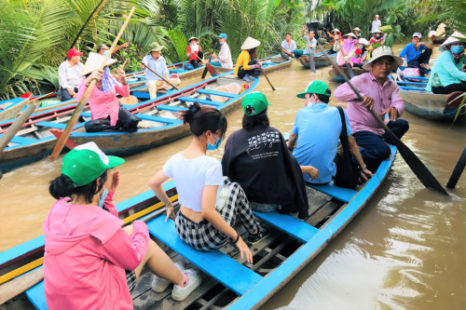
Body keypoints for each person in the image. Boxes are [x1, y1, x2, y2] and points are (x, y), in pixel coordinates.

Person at [43, 142, 201, 310]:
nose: (112, 174)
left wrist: (108, 197)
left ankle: (164, 275)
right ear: (98, 182)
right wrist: (140, 226)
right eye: (108, 172)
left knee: (132, 234)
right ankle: (182, 282)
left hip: (64, 303)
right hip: (101, 305)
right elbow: (132, 260)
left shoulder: (59, 208)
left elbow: (103, 231)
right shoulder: (101, 223)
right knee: (145, 244)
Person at [148, 102, 270, 259]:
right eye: (219, 134)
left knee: (225, 181)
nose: (220, 138)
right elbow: (207, 212)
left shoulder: (175, 159)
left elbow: (153, 183)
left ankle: (248, 226)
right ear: (208, 134)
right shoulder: (211, 165)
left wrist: (168, 204)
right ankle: (255, 232)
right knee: (234, 189)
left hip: (182, 228)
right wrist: (237, 238)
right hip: (206, 239)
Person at [221, 92, 316, 219]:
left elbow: (226, 171)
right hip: (271, 204)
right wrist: (309, 169)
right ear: (265, 112)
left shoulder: (233, 139)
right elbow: (291, 168)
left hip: (245, 201)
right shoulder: (275, 135)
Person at [334, 46, 409, 173]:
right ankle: (350, 162)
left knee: (403, 124)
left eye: (388, 63)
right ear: (373, 65)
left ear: (391, 66)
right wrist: (360, 96)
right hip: (359, 127)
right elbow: (338, 93)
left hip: (379, 126)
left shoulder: (392, 85)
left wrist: (395, 109)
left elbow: (398, 102)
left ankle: (381, 141)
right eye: (380, 63)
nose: (384, 67)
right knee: (383, 151)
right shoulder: (360, 80)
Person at [288, 81, 372, 185]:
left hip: (298, 173)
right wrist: (363, 167)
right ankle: (354, 170)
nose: (305, 103)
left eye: (306, 98)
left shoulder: (301, 112)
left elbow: (292, 137)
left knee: (297, 139)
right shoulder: (339, 112)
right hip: (323, 178)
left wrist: (289, 146)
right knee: (344, 144)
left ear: (314, 97)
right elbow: (352, 144)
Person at [77, 53, 140, 133]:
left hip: (117, 111)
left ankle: (115, 126)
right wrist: (88, 80)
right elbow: (79, 100)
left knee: (132, 121)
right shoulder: (86, 82)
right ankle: (116, 126)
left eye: (105, 67)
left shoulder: (109, 79)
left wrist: (123, 80)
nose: (106, 69)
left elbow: (125, 94)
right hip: (101, 117)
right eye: (103, 68)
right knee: (89, 126)